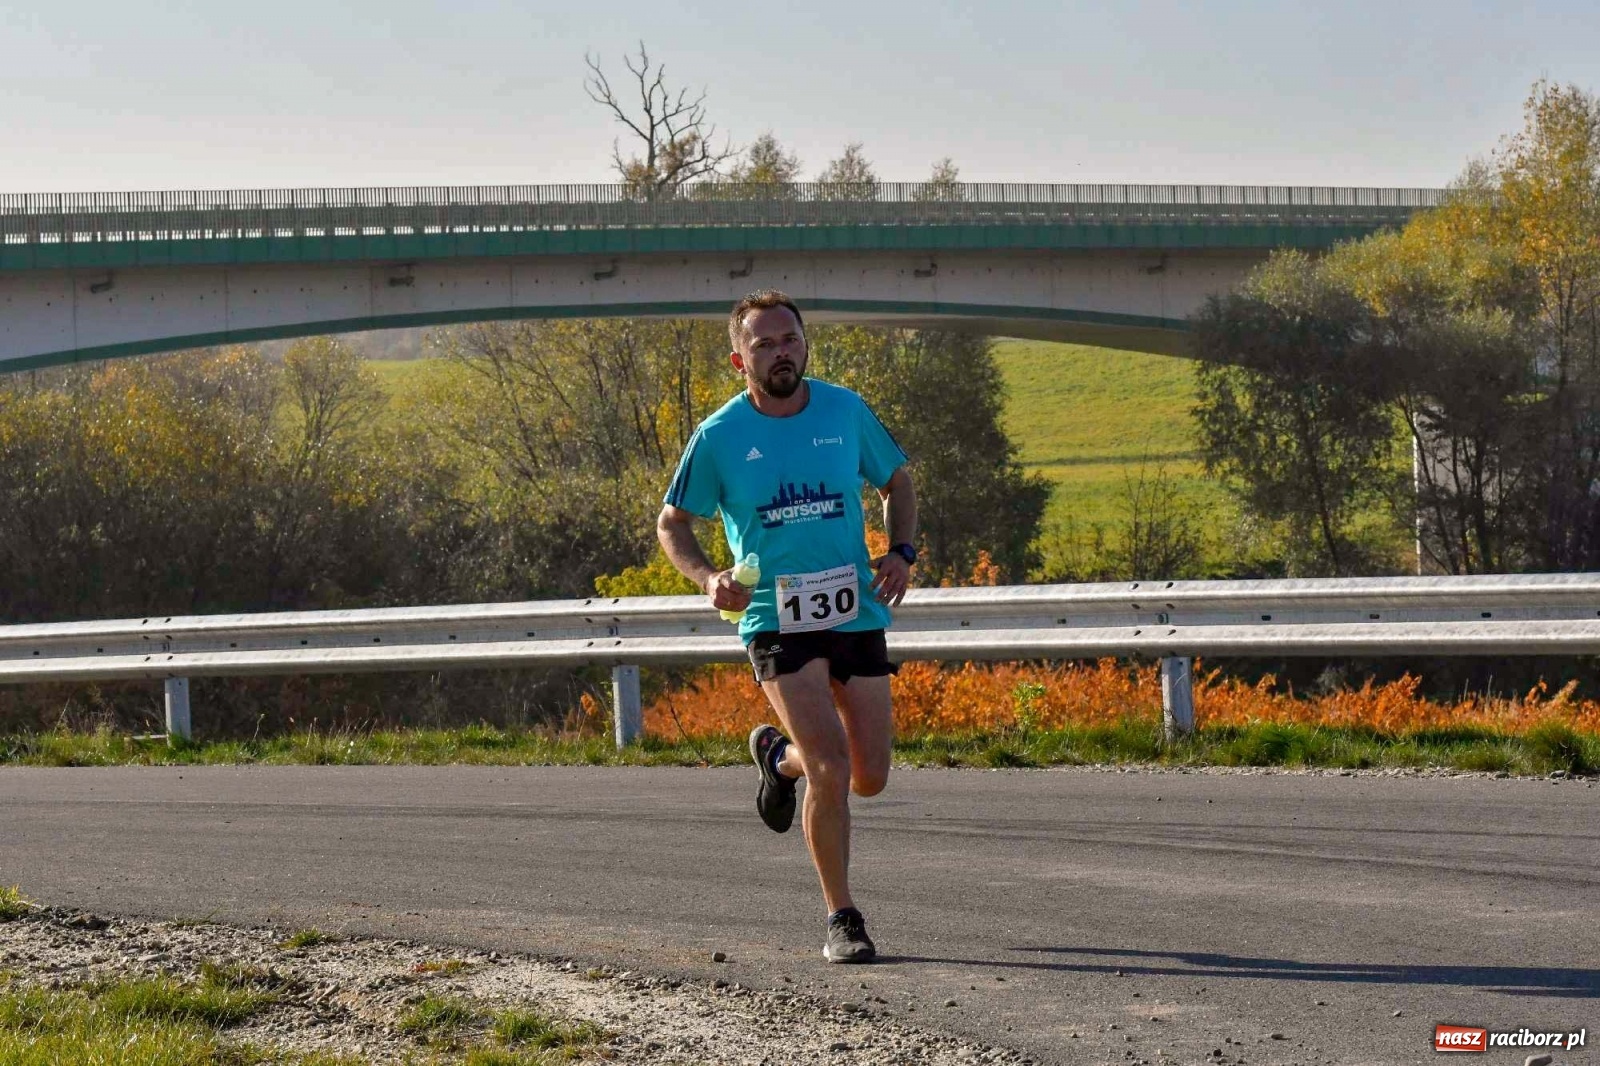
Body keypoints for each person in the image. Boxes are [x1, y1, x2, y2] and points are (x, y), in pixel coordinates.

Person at [657, 289, 918, 963]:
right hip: (774, 615)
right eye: (765, 343)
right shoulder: (718, 437)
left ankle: (779, 758)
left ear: (805, 343)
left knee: (870, 775)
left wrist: (901, 551)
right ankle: (843, 917)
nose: (781, 352)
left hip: (852, 606)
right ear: (739, 358)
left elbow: (898, 482)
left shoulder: (844, 409)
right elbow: (672, 522)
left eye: (790, 339)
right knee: (832, 767)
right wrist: (708, 577)